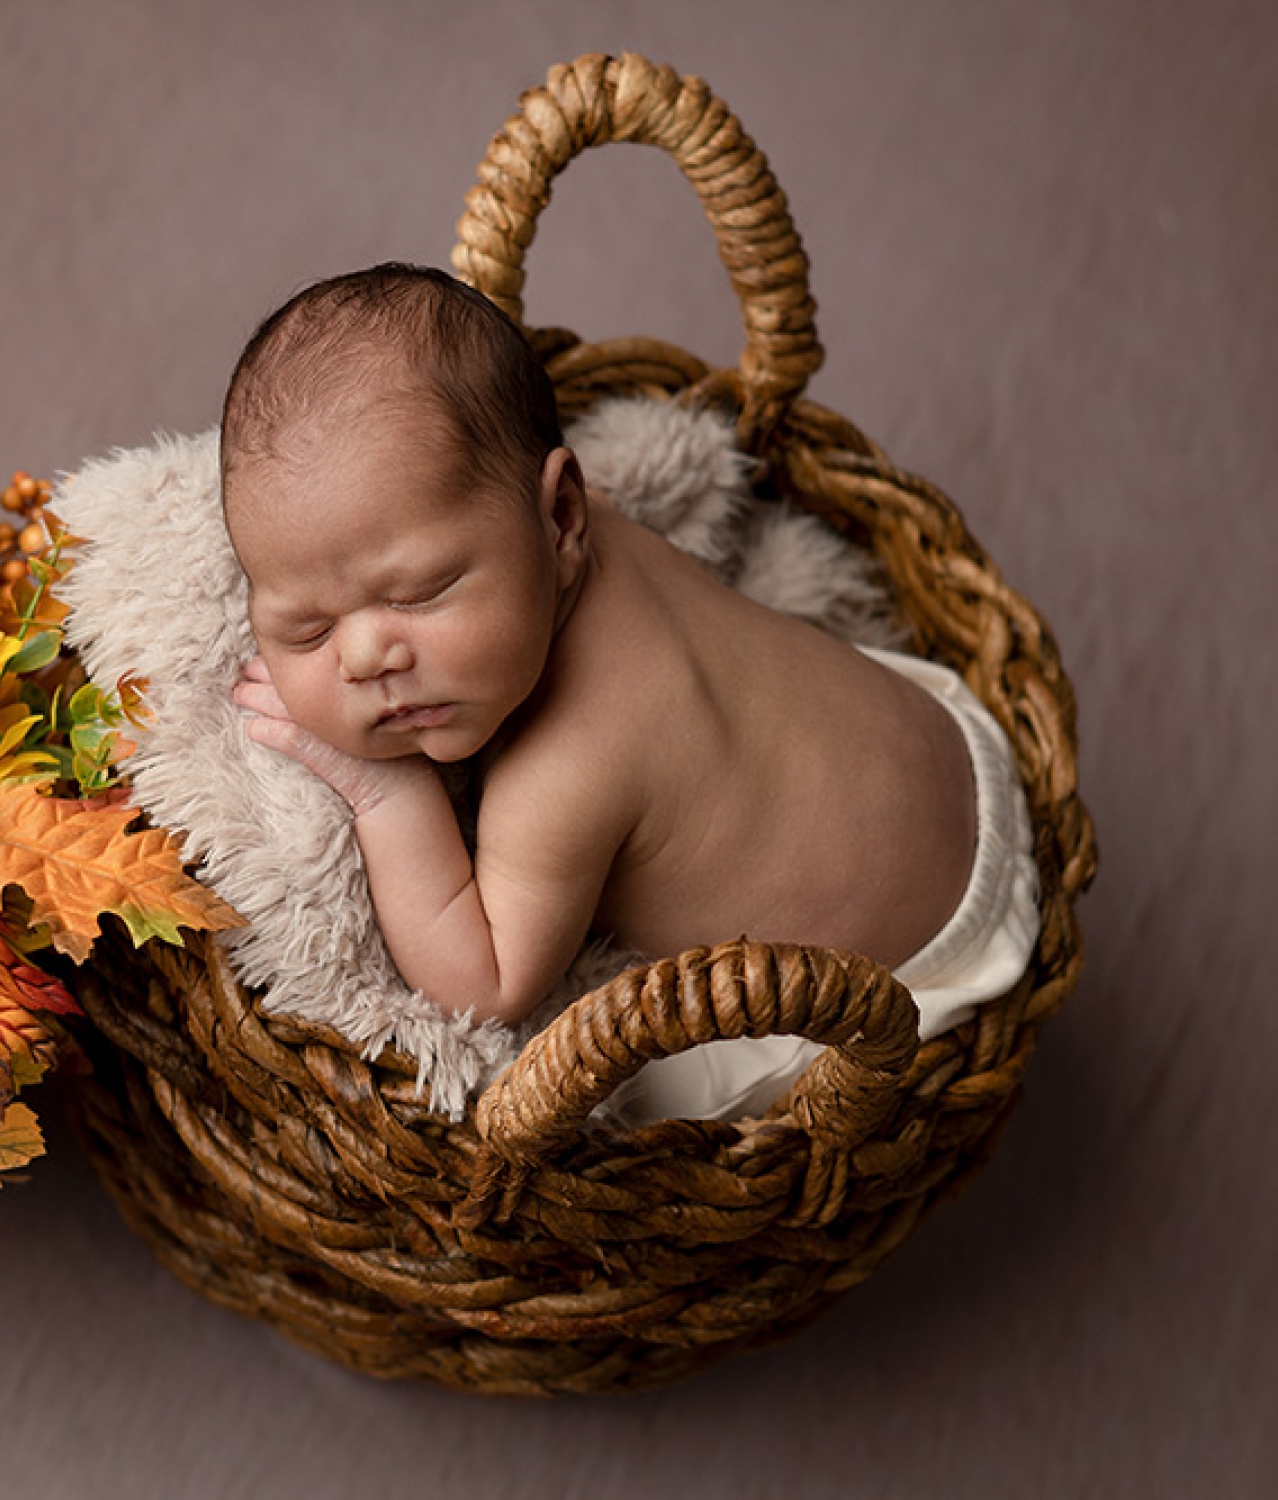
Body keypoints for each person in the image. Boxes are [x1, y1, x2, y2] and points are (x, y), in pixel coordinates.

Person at [224, 264, 1035, 1093]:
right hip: (944, 742)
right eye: (307, 629)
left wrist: (386, 796)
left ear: (562, 515)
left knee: (649, 1100)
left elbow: (487, 985)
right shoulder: (591, 537)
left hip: (915, 968)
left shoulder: (566, 768)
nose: (365, 660)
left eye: (421, 591)